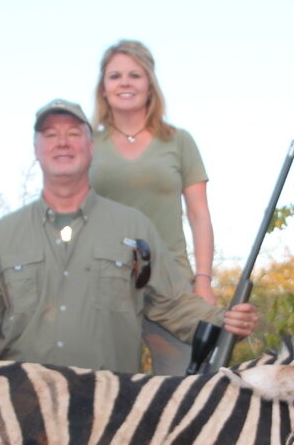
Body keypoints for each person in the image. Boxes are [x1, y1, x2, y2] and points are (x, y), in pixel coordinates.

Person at [0, 99, 256, 374]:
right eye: (51, 135)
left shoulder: (135, 233)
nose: (62, 143)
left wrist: (225, 320)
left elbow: (170, 304)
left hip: (109, 414)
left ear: (92, 146)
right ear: (36, 150)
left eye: (73, 134)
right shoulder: (3, 237)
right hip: (22, 413)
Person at [88, 40, 217, 375]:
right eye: (115, 76)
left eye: (135, 75)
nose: (125, 83)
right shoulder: (86, 144)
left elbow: (199, 215)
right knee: (107, 389)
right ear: (103, 88)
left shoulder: (179, 141)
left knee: (184, 385)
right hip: (104, 283)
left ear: (150, 85)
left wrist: (202, 280)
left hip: (171, 284)